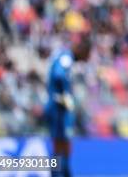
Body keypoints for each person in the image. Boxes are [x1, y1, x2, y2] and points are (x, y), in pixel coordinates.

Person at [45, 36, 92, 177]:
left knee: (65, 142)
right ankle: (57, 173)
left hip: (60, 107)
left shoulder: (65, 57)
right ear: (82, 51)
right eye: (86, 55)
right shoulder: (66, 58)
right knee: (60, 143)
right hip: (58, 107)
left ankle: (64, 172)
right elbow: (59, 75)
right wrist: (65, 94)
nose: (86, 59)